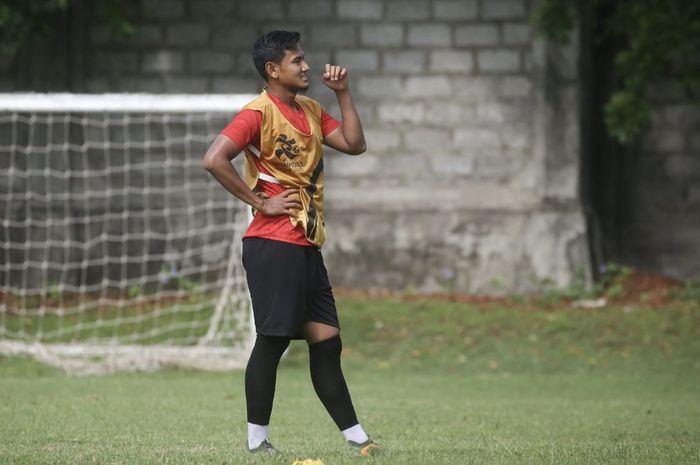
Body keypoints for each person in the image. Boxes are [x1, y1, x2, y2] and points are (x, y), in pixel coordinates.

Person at [202, 30, 380, 457]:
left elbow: (355, 144)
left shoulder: (312, 110)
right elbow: (214, 158)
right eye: (297, 60)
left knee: (327, 339)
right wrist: (259, 202)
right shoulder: (257, 114)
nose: (306, 67)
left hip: (306, 243)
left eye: (304, 59)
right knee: (273, 340)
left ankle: (359, 442)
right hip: (272, 244)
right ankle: (256, 442)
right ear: (273, 69)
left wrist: (343, 93)